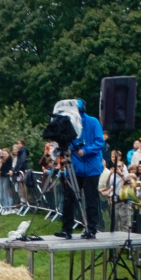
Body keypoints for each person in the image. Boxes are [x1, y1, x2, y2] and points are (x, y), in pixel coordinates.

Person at [52, 98, 104, 239]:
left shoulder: (93, 122)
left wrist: (86, 150)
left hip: (92, 168)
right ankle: (66, 229)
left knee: (90, 199)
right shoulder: (71, 123)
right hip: (75, 167)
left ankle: (91, 229)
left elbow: (100, 141)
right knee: (69, 197)